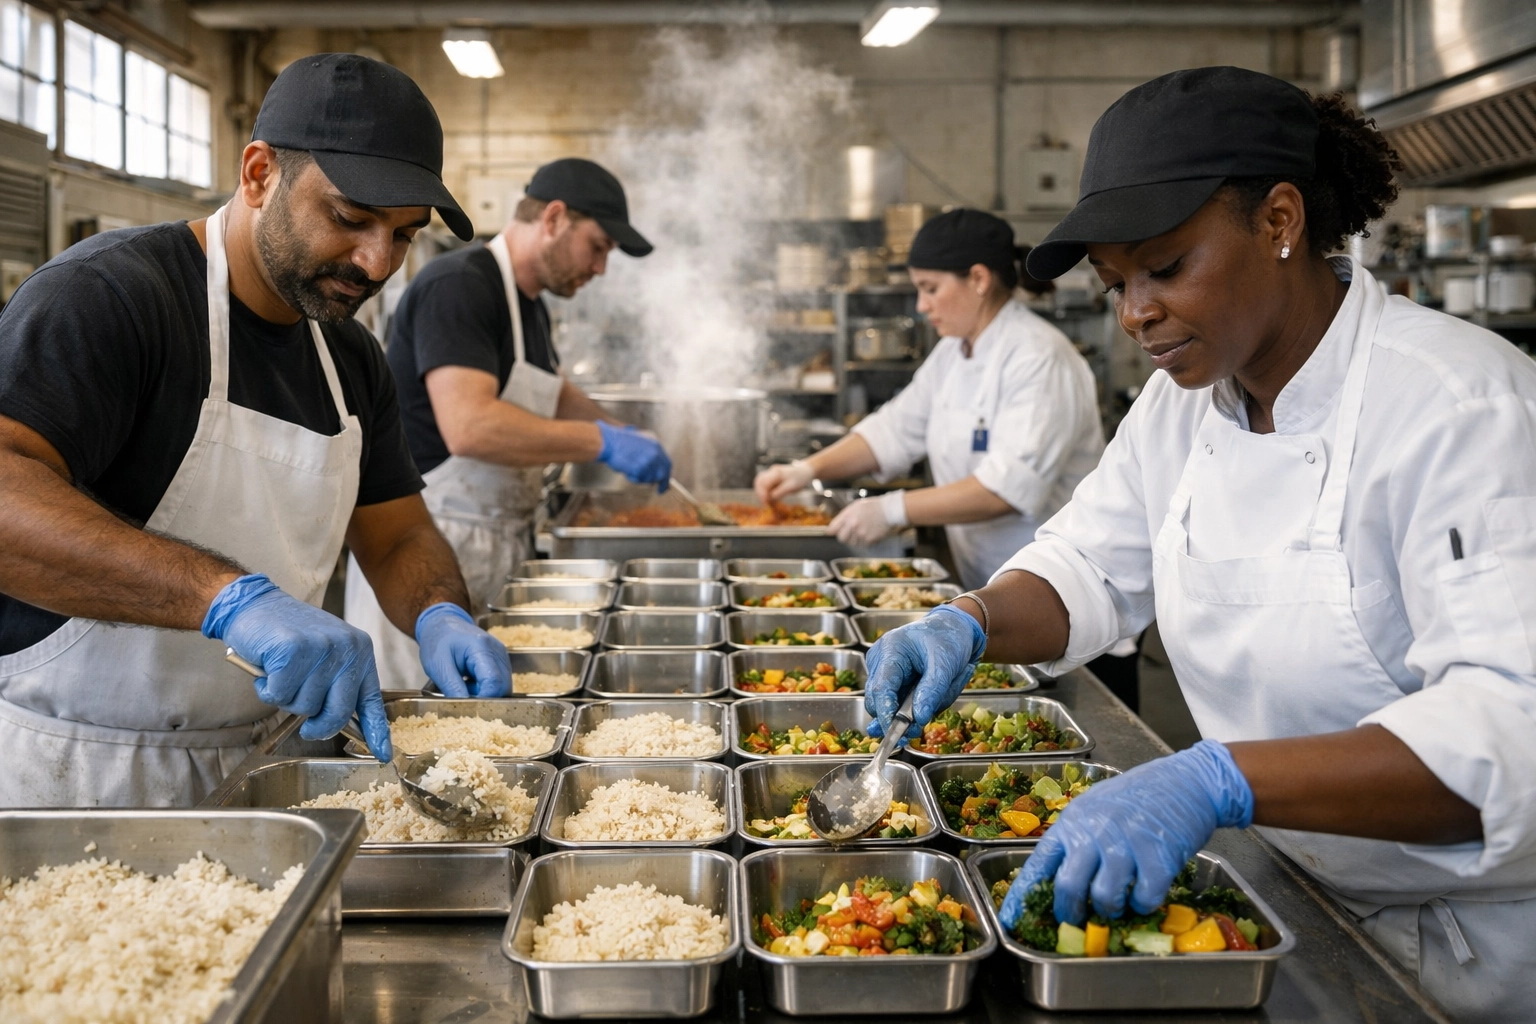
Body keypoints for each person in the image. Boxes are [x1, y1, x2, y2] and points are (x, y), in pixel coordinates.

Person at [863, 66, 1536, 1022]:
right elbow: (1088, 562)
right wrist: (969, 619)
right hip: (1276, 889)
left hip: (1458, 956)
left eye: (1166, 268)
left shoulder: (1457, 407)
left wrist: (1219, 777)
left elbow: (1512, 738)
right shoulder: (1186, 406)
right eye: (1115, 284)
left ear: (1279, 220)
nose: (1135, 312)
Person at [0, 54, 512, 807]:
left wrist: (441, 612)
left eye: (404, 234)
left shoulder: (348, 355)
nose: (377, 263)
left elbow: (398, 534)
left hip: (270, 773)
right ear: (259, 173)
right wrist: (226, 598)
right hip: (83, 775)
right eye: (349, 218)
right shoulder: (111, 298)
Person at [346, 158, 671, 689]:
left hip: (495, 544)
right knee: (420, 733)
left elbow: (553, 391)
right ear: (555, 218)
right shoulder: (460, 285)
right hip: (426, 553)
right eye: (599, 246)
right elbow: (469, 425)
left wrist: (624, 431)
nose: (601, 268)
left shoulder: (531, 306)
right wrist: (600, 442)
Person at [754, 208, 1103, 592]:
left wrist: (891, 510)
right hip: (998, 583)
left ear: (978, 278)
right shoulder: (952, 352)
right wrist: (805, 470)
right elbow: (894, 430)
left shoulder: (1039, 358)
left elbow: (1004, 491)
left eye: (930, 288)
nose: (921, 306)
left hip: (1070, 592)